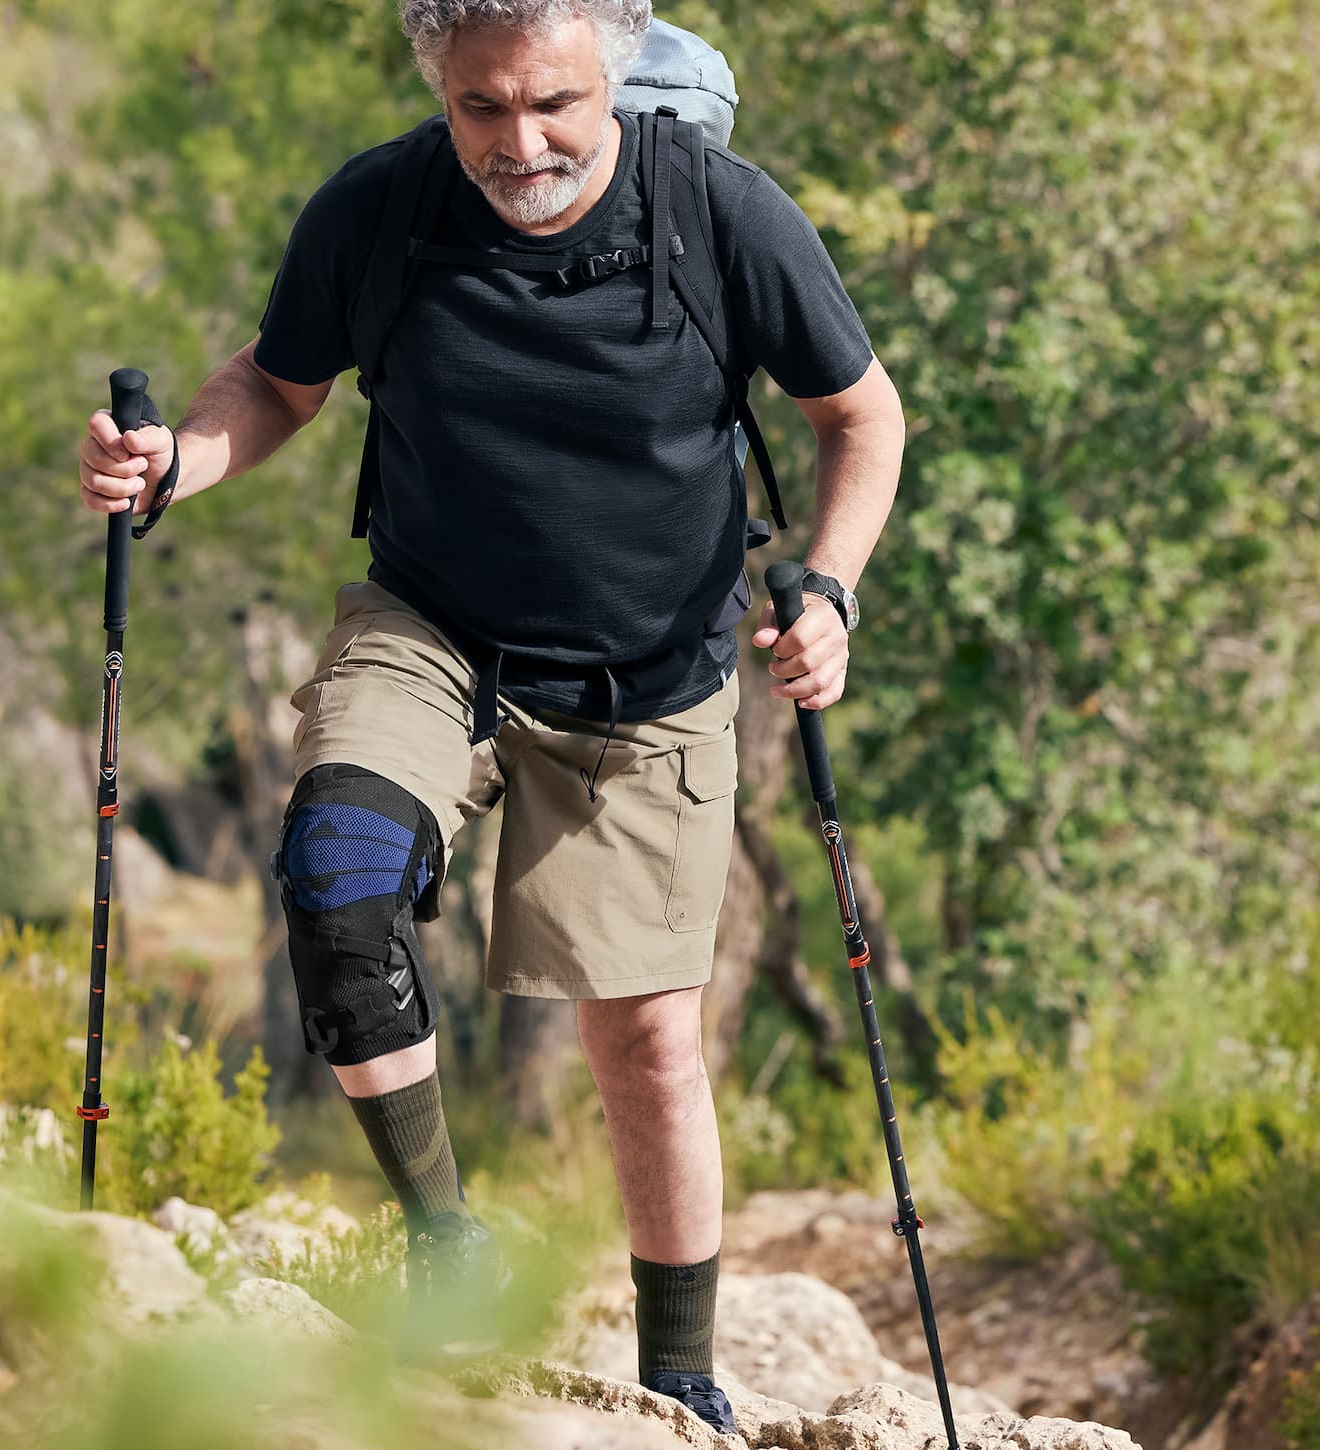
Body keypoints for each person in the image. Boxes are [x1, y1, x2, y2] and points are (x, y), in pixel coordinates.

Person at [73, 1, 900, 1434]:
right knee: (338, 876)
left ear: (616, 77)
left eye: (555, 103)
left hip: (651, 674)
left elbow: (861, 416)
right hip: (433, 631)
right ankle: (445, 1244)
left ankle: (679, 1376)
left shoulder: (723, 212)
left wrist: (829, 588)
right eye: (482, 107)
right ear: (439, 89)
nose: (519, 142)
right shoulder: (380, 209)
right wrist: (173, 464)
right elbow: (275, 382)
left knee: (644, 1043)